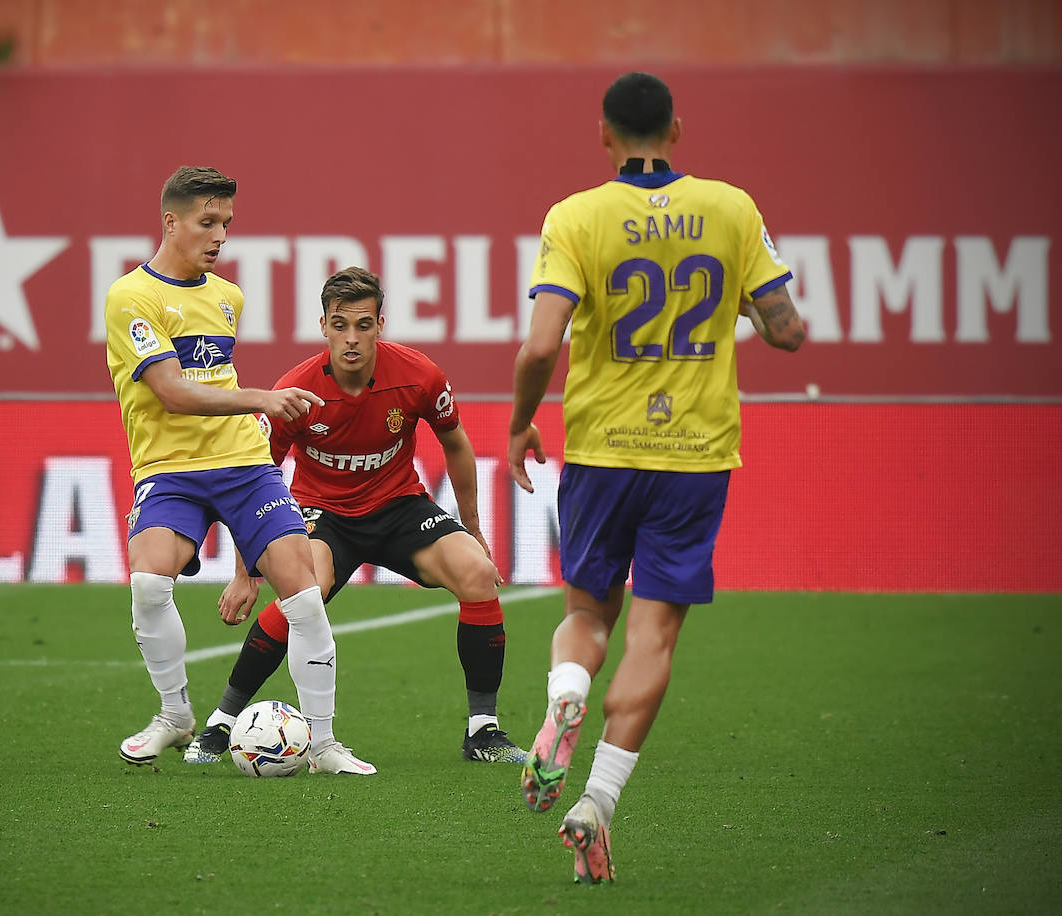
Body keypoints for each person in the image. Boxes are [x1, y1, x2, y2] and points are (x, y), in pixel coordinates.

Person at [508, 73, 806, 884]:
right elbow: (787, 331)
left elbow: (540, 347)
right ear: (677, 128)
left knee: (585, 611)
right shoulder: (732, 209)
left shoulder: (575, 217)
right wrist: (742, 309)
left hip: (603, 450)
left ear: (604, 135)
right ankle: (596, 802)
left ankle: (565, 694)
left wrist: (518, 423)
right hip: (695, 456)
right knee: (656, 633)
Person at [181, 266, 526, 766]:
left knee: (475, 573)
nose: (351, 338)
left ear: (380, 325)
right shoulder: (295, 391)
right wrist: (245, 572)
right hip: (324, 515)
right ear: (323, 326)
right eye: (340, 325)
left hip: (400, 506)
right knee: (305, 595)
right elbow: (254, 476)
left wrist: (474, 532)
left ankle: (483, 731)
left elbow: (456, 443)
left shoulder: (419, 375)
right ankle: (222, 722)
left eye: (363, 325)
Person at [104, 165, 373, 776]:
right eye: (207, 222)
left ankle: (325, 745)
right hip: (170, 468)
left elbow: (208, 381)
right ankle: (175, 717)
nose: (219, 235)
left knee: (304, 597)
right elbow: (172, 392)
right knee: (149, 583)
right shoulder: (131, 298)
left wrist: (245, 571)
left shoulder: (227, 297)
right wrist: (262, 399)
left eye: (225, 223)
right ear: (170, 221)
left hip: (244, 464)